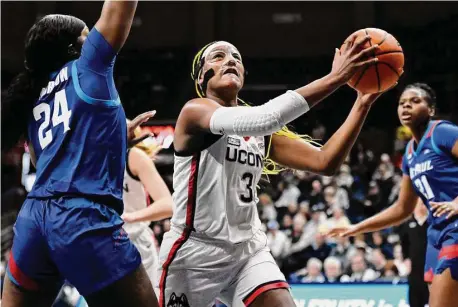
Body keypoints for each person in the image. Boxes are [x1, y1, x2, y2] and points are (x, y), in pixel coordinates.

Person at [158, 35, 388, 307]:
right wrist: (336, 77)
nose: (230, 59)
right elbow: (265, 118)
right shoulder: (195, 112)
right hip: (194, 254)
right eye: (218, 56)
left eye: (236, 58)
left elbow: (326, 162)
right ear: (201, 78)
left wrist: (362, 103)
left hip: (246, 252)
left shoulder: (259, 133)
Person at [1, 2, 159, 306]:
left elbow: (45, 160)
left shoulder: (33, 97)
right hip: (82, 219)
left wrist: (111, 136)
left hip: (33, 221)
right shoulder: (89, 63)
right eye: (89, 34)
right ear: (77, 46)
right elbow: (118, 8)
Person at [327, 83, 458, 307]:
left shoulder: (443, 132)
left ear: (431, 109)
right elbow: (402, 209)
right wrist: (357, 228)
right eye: (401, 103)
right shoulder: (409, 153)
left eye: (415, 101)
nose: (406, 105)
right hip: (435, 235)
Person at [121, 125, 173, 291]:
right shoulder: (90, 159)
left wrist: (130, 217)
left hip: (135, 242)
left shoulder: (133, 156)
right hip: (101, 244)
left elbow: (168, 204)